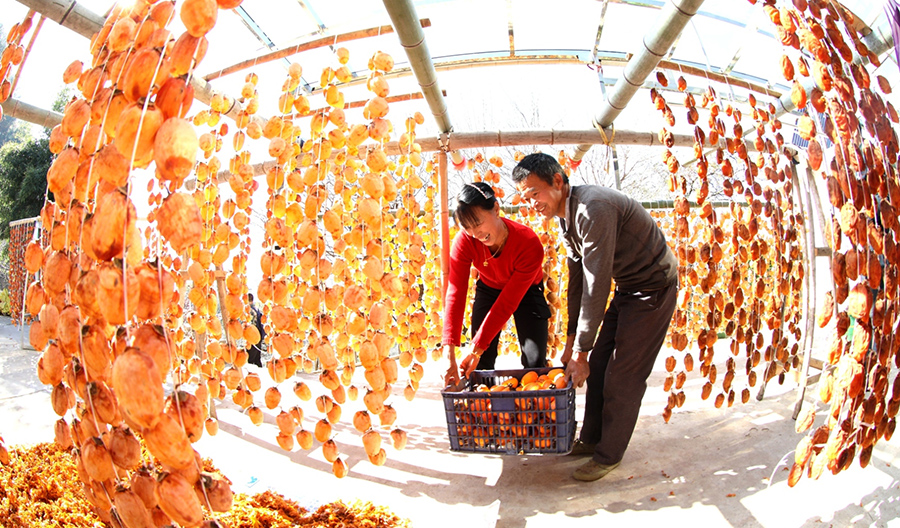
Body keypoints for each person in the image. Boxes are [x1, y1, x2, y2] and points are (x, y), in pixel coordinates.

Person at [512, 153, 678, 482]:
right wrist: (573, 340)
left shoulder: (593, 208)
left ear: (558, 181)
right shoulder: (565, 217)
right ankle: (590, 440)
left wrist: (580, 352)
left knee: (623, 375)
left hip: (653, 287)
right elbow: (576, 281)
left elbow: (596, 283)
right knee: (600, 365)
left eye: (535, 193)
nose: (531, 203)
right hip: (630, 287)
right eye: (524, 197)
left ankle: (608, 455)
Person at [443, 181, 552, 387]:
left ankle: (535, 412)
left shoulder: (529, 243)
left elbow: (507, 303)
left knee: (535, 361)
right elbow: (455, 293)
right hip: (489, 287)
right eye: (467, 228)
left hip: (526, 290)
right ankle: (486, 409)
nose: (475, 233)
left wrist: (477, 346)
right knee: (480, 364)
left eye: (478, 223)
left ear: (496, 208)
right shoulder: (465, 241)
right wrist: (449, 354)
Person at [246, 293, 265, 368]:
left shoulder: (250, 310)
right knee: (257, 358)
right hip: (259, 335)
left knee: (250, 359)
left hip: (252, 336)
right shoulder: (256, 309)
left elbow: (251, 324)